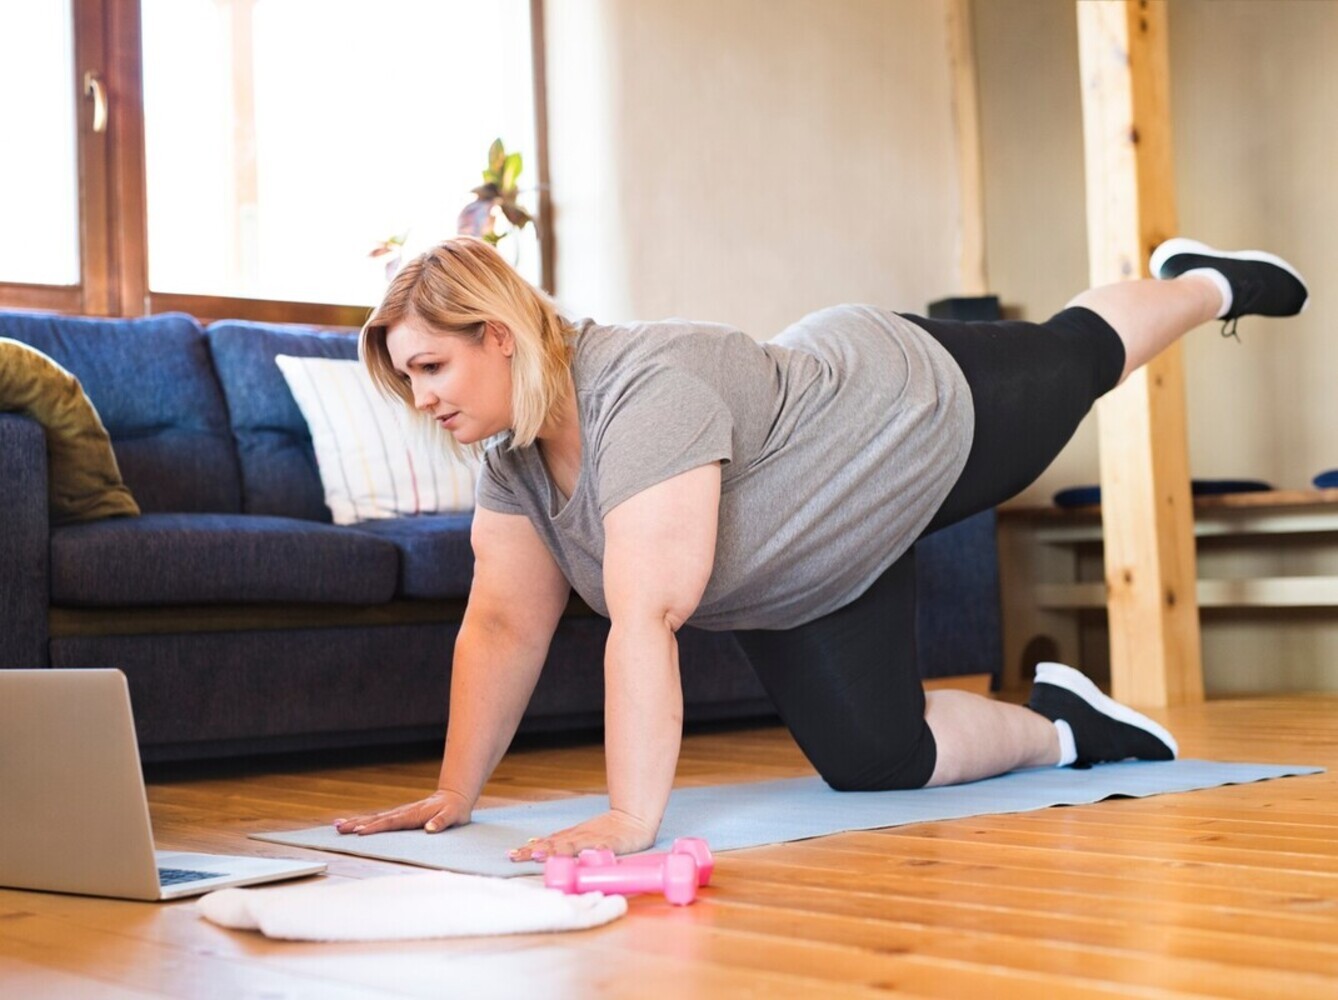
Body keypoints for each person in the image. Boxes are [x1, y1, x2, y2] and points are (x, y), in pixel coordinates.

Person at [333, 236, 1309, 862]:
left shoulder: (644, 392)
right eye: (406, 379)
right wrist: (454, 793)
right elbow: (503, 623)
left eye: (431, 366)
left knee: (1077, 357)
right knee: (884, 760)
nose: (423, 398)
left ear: (499, 335)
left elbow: (648, 618)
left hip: (906, 412)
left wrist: (634, 820)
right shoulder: (513, 464)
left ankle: (1202, 283)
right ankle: (1068, 726)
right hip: (814, 572)